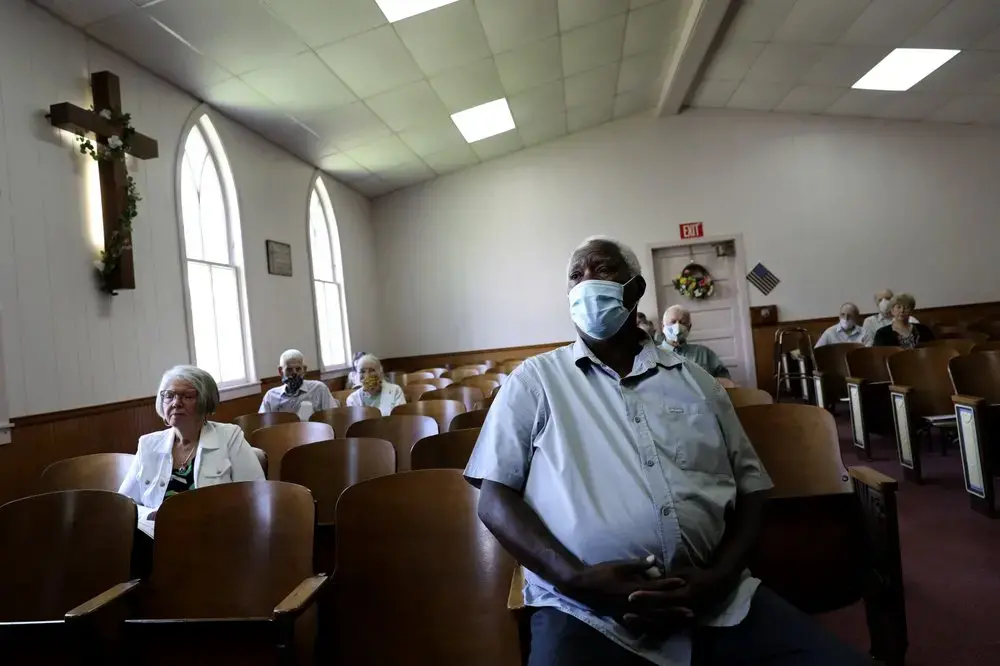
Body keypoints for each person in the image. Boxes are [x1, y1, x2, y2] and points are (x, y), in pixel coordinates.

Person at [465, 236, 869, 666]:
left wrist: (718, 577)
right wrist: (576, 578)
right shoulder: (534, 381)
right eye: (575, 276)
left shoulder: (699, 383)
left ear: (635, 289)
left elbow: (752, 489)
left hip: (718, 605)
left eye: (601, 270)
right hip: (584, 611)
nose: (586, 283)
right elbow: (494, 500)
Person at [119, 365, 264, 521]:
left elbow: (257, 495)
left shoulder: (229, 437)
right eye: (169, 395)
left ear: (205, 402)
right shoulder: (148, 444)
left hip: (215, 534)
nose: (176, 403)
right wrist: (151, 515)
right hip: (156, 535)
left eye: (187, 396)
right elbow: (124, 503)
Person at [259, 349, 337, 419]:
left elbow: (333, 417)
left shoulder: (319, 389)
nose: (294, 373)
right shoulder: (271, 396)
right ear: (280, 371)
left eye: (298, 369)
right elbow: (263, 423)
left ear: (304, 370)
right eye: (289, 369)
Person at [659, 305, 731, 380]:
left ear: (689, 327)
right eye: (673, 322)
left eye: (682, 323)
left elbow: (725, 381)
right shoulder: (653, 355)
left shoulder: (703, 353)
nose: (677, 327)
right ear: (663, 326)